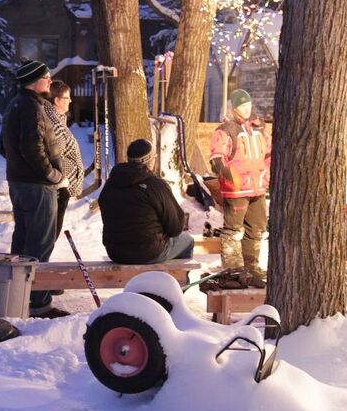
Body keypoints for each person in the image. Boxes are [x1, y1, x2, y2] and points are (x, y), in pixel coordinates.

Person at [0, 59, 69, 319]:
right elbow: (33, 148)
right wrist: (52, 174)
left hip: (19, 183)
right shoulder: (31, 107)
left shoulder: (14, 105)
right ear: (34, 80)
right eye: (47, 77)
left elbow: (3, 146)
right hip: (37, 187)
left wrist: (19, 168)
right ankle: (38, 303)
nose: (50, 81)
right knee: (40, 242)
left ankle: (18, 294)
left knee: (23, 240)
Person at [98, 138, 195, 264]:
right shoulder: (155, 185)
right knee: (188, 242)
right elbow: (175, 227)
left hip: (115, 252)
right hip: (149, 252)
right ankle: (178, 283)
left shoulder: (110, 184)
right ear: (149, 161)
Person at [210, 89, 271, 277]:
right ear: (234, 107)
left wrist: (269, 173)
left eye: (248, 105)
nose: (246, 109)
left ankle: (251, 265)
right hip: (236, 190)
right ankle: (233, 269)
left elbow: (269, 153)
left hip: (258, 187)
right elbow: (216, 158)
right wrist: (230, 177)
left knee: (257, 228)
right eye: (242, 106)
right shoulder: (225, 130)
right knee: (233, 231)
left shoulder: (259, 128)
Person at [43, 80, 84, 238]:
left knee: (52, 233)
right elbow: (55, 156)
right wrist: (64, 177)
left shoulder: (59, 120)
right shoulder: (53, 124)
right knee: (50, 234)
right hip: (59, 187)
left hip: (62, 185)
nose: (71, 101)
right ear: (57, 101)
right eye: (67, 98)